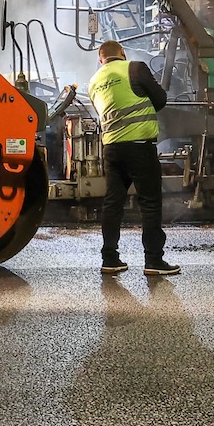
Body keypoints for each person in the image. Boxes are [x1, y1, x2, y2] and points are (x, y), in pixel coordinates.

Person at [87, 40, 179, 276]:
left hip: (112, 148)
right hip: (139, 146)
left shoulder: (94, 82)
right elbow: (160, 99)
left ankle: (110, 258)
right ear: (122, 54)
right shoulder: (134, 68)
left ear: (101, 59)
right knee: (149, 202)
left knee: (113, 203)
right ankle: (154, 261)